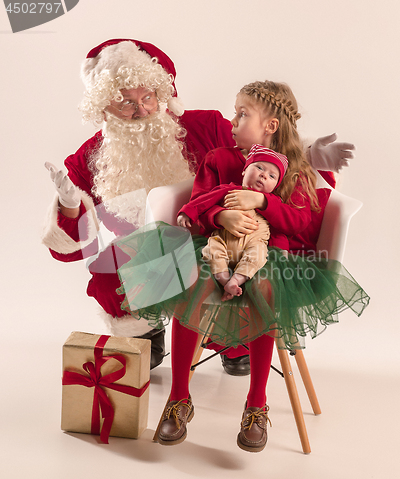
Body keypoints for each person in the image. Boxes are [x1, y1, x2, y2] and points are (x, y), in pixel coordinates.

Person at [42, 38, 355, 374]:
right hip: (146, 249)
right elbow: (71, 248)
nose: (141, 110)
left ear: (162, 95)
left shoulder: (203, 126)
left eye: (148, 97)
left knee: (229, 268)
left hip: (213, 236)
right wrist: (70, 205)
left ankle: (232, 340)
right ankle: (146, 333)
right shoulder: (87, 157)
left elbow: (261, 152)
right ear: (104, 106)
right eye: (124, 102)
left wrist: (306, 156)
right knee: (106, 273)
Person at [149, 80, 369, 452]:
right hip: (216, 246)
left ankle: (256, 404)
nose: (232, 120)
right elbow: (199, 205)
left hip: (275, 255)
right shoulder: (219, 159)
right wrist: (222, 216)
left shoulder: (294, 169)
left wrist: (262, 202)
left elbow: (303, 222)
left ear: (270, 126)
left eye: (242, 113)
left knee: (265, 289)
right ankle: (179, 397)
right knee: (192, 284)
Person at [177, 145, 289, 301]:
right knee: (212, 250)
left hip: (253, 243)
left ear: (275, 186)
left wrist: (281, 249)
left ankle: (236, 280)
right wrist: (187, 212)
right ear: (244, 170)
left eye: (272, 176)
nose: (264, 175)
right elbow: (204, 200)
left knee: (259, 255)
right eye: (259, 167)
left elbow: (278, 229)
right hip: (224, 239)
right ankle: (224, 280)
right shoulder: (229, 190)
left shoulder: (272, 203)